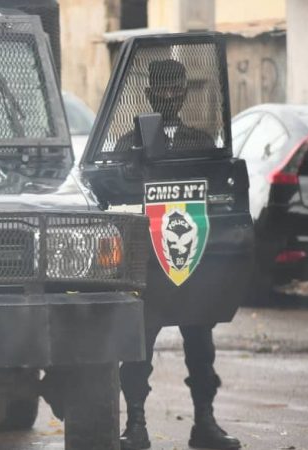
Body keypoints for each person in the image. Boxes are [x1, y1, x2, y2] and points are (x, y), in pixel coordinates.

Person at [118, 59, 241, 450]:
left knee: (201, 345)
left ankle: (204, 423)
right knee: (139, 347)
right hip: (147, 263)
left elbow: (217, 197)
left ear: (185, 93)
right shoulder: (130, 144)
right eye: (162, 90)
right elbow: (118, 194)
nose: (169, 97)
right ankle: (135, 424)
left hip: (191, 261)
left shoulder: (202, 142)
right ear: (150, 93)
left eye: (176, 89)